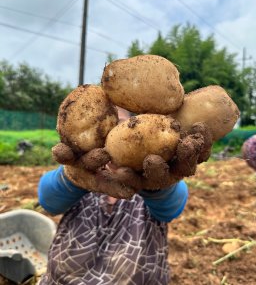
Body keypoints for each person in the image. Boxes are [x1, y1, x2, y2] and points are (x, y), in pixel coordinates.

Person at [38, 107, 211, 285]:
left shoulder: (153, 177)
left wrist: (155, 187)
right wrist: (77, 177)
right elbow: (49, 201)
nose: (109, 135)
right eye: (103, 126)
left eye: (119, 125)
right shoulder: (83, 172)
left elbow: (171, 207)